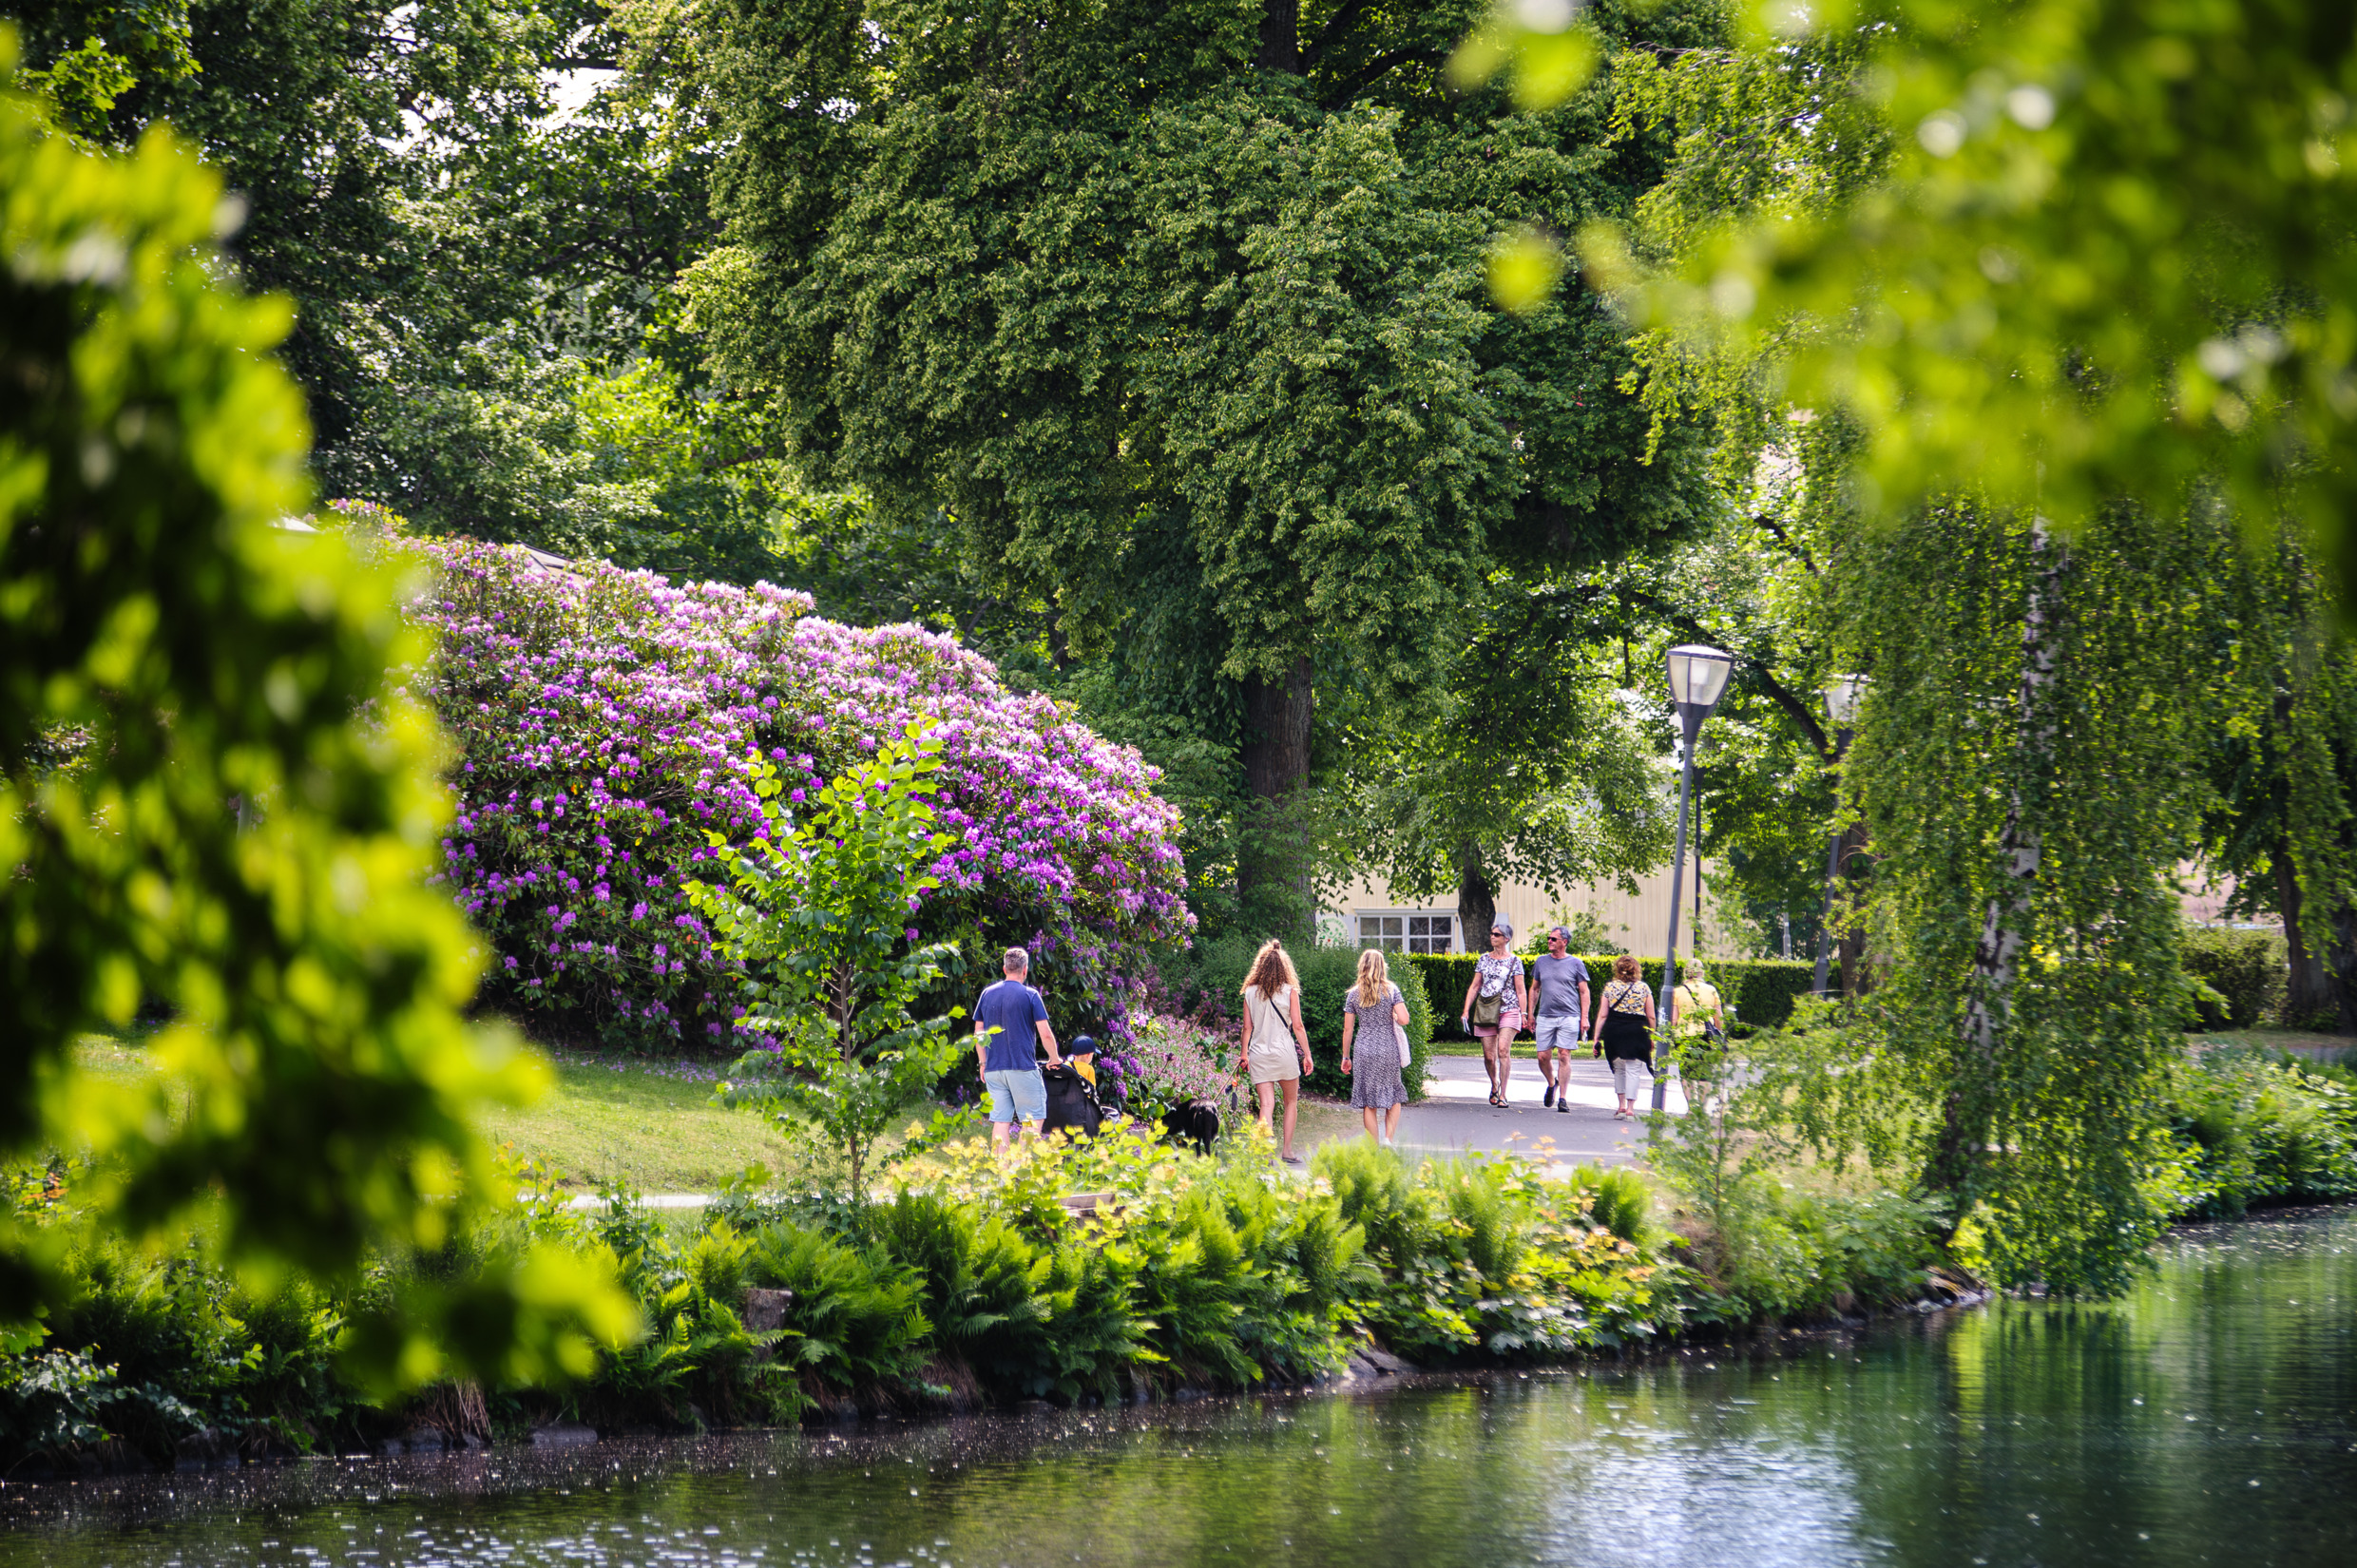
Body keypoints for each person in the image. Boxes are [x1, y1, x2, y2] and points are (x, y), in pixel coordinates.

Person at [973, 946, 1063, 1150]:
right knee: (1031, 1119)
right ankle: (1019, 1168)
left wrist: (983, 1063)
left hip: (994, 1070)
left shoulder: (987, 994)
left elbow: (978, 1033)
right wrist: (1054, 1059)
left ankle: (1002, 1172)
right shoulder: (1030, 995)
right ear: (1025, 970)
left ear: (1004, 969)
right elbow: (1046, 1033)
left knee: (1001, 1121)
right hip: (1022, 1069)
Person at [1238, 938, 1312, 1164]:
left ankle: (1265, 1153)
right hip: (1284, 1053)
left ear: (1260, 966)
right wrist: (1307, 1055)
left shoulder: (1250, 993)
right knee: (1291, 1102)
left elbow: (1247, 1028)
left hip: (1259, 1054)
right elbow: (1297, 1026)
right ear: (1284, 967)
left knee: (1267, 1105)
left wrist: (1244, 1054)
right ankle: (1287, 1151)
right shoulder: (1290, 991)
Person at [1339, 947, 1411, 1147]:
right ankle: (1388, 1140)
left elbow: (1348, 1029)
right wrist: (1395, 1016)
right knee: (1394, 1096)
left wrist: (1346, 1057)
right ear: (1382, 967)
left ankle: (1373, 1148)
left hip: (1364, 1049)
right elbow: (1405, 1019)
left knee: (1368, 1101)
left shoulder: (1353, 995)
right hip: (1388, 1048)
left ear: (1362, 966)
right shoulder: (1391, 990)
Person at [1459, 921, 1529, 1107]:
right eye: (1491, 934)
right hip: (1487, 1009)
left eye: (1496, 934)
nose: (1492, 937)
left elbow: (1521, 990)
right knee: (1489, 1057)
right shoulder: (1483, 959)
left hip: (1509, 1009)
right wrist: (1466, 1010)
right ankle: (1494, 1084)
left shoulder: (1515, 961)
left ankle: (1504, 1094)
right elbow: (1475, 986)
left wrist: (1524, 1013)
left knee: (1503, 1050)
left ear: (1506, 939)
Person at [1529, 925, 1593, 1114]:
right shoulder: (1541, 962)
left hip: (1569, 1016)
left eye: (1553, 939)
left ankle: (1563, 1098)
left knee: (1564, 1055)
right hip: (1546, 1016)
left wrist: (1584, 1018)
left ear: (1564, 942)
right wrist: (1530, 1014)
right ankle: (1552, 1083)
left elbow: (1584, 991)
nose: (1549, 941)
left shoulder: (1576, 963)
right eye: (1548, 938)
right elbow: (1534, 989)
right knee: (1542, 1057)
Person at [1591, 953, 1657, 1119]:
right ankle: (1630, 1108)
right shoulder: (1644, 988)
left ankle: (1620, 1106)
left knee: (1619, 1068)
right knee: (1634, 1069)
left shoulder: (1610, 988)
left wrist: (1596, 1037)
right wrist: (1653, 1036)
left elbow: (1603, 1015)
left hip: (1615, 1031)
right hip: (1637, 1031)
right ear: (1636, 969)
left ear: (1618, 969)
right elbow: (1651, 1016)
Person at [1670, 959, 1730, 1104]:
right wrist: (1718, 1033)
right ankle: (1701, 1110)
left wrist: (1673, 1035)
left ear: (1687, 972)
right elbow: (1718, 1018)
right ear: (1701, 971)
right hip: (1705, 1035)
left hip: (1684, 1036)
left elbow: (1673, 1019)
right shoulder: (1711, 990)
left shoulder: (1677, 991)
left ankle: (1691, 1108)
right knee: (1705, 1074)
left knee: (1686, 1074)